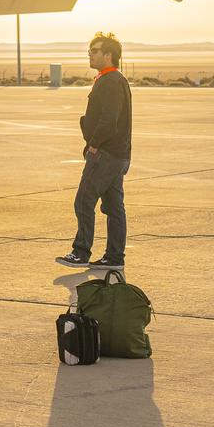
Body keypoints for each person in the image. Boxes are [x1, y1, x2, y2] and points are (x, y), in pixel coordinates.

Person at [56, 32, 132, 270]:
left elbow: (109, 120)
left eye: (95, 51)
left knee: (84, 201)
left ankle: (81, 252)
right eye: (89, 50)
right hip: (117, 155)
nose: (90, 54)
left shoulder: (110, 82)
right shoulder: (113, 79)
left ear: (109, 55)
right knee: (113, 206)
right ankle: (114, 258)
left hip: (106, 155)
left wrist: (94, 144)